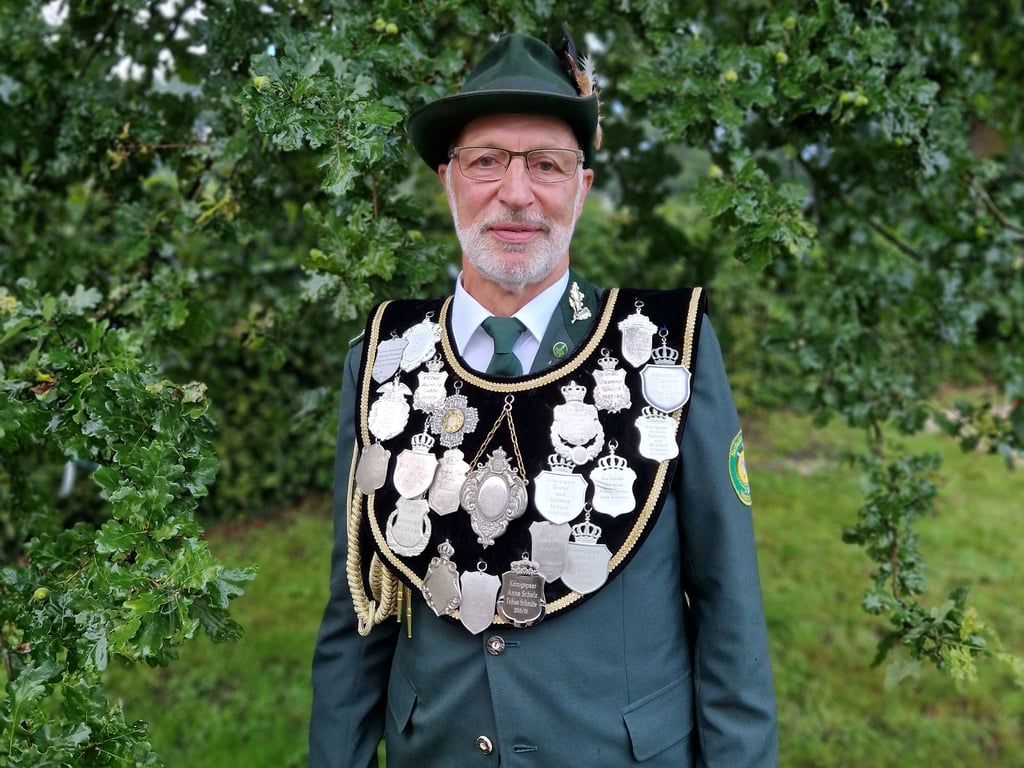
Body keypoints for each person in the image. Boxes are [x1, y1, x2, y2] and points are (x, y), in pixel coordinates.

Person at [310, 31, 778, 768]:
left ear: (581, 188)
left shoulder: (667, 346)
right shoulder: (388, 357)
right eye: (486, 161)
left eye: (546, 165)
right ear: (448, 180)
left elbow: (729, 609)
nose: (517, 193)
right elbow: (359, 603)